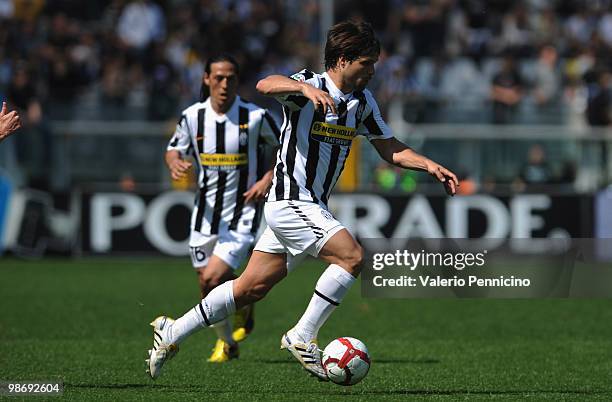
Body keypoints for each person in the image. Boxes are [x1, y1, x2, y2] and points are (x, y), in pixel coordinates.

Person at [146, 20, 458, 381]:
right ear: (342, 60)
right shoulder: (309, 84)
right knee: (352, 257)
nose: (372, 71)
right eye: (366, 63)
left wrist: (429, 165)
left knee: (250, 289)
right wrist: (302, 90)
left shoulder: (362, 102)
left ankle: (172, 331)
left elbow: (388, 148)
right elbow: (265, 84)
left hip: (310, 207)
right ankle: (302, 335)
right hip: (291, 201)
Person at [163, 54, 280, 363]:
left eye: (230, 78)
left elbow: (285, 147)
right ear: (206, 79)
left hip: (243, 213)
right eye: (218, 77)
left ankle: (238, 307)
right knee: (205, 282)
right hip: (204, 212)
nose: (224, 83)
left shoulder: (255, 116)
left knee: (214, 278)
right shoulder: (192, 117)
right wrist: (175, 162)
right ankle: (229, 338)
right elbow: (174, 148)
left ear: (237, 81)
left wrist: (268, 177)